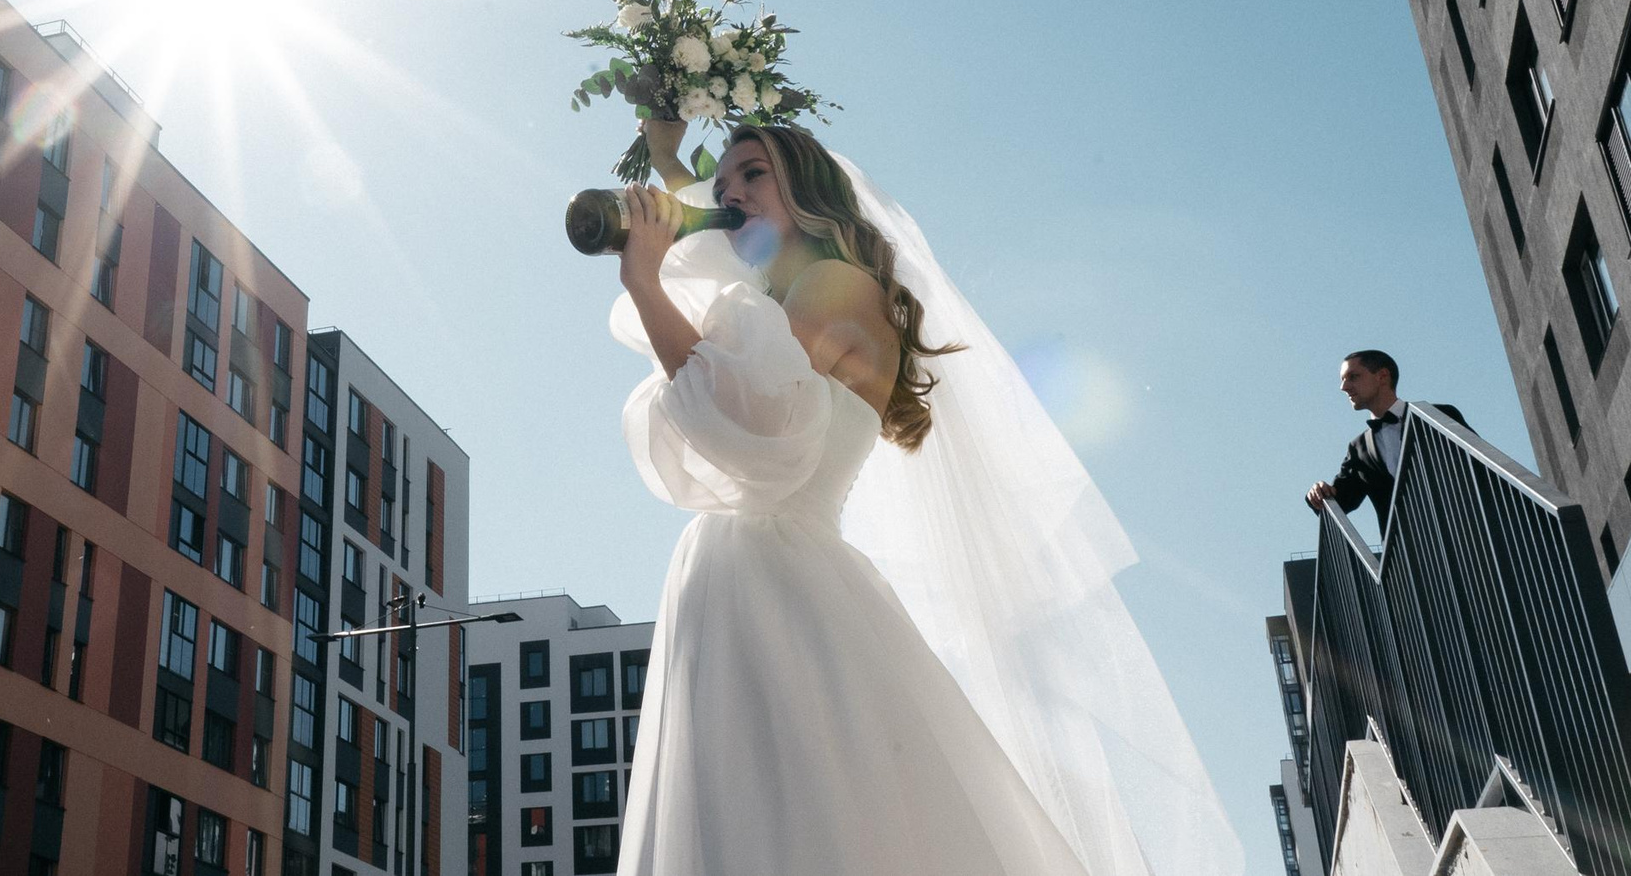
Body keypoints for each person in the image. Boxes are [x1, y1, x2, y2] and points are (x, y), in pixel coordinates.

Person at [610, 118, 1238, 876]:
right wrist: (671, 156)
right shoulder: (784, 297)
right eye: (724, 187)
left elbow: (745, 412)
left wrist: (645, 283)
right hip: (748, 579)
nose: (731, 195)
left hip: (776, 586)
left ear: (809, 192)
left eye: (754, 175)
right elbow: (731, 319)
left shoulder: (831, 285)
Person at [1303, 349, 1466, 532]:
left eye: (1353, 377)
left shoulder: (1439, 416)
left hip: (1470, 536)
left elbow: (1477, 468)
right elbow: (1341, 502)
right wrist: (1318, 494)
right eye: (1343, 379)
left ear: (1382, 376)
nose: (1344, 387)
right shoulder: (1359, 449)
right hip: (1408, 553)